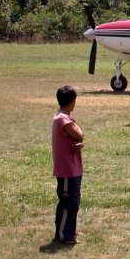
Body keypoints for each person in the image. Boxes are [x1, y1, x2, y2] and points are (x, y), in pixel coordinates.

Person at [52, 86, 84, 244]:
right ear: (72, 101)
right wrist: (79, 135)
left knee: (73, 201)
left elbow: (77, 138)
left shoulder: (63, 117)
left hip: (73, 168)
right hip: (67, 170)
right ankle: (64, 235)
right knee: (68, 203)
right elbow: (79, 134)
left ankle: (70, 231)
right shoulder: (63, 119)